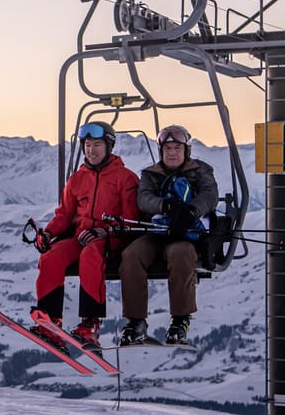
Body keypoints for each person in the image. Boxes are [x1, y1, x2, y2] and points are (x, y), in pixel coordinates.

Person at [32, 121, 140, 348]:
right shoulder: (77, 179)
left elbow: (131, 219)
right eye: (88, 145)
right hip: (80, 236)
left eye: (97, 144)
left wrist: (104, 230)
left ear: (108, 146)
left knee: (90, 255)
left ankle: (90, 323)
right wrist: (49, 234)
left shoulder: (125, 178)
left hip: (110, 238)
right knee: (51, 256)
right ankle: (50, 319)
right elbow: (64, 215)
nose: (91, 150)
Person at [118, 124, 219, 346]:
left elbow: (209, 195)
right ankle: (136, 321)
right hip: (157, 231)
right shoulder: (151, 174)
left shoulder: (200, 171)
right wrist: (166, 207)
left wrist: (191, 211)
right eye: (167, 148)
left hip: (186, 234)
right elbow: (144, 199)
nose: (172, 153)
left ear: (186, 150)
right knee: (132, 255)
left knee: (181, 254)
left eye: (176, 148)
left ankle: (180, 320)